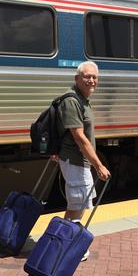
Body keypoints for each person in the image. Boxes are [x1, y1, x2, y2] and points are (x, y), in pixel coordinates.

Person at [55, 61, 110, 261]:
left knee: (79, 204)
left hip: (79, 161)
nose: (91, 80)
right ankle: (66, 246)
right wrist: (99, 165)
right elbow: (79, 137)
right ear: (77, 78)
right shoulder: (72, 100)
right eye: (87, 76)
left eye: (94, 77)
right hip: (76, 160)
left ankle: (66, 243)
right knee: (76, 205)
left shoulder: (83, 99)